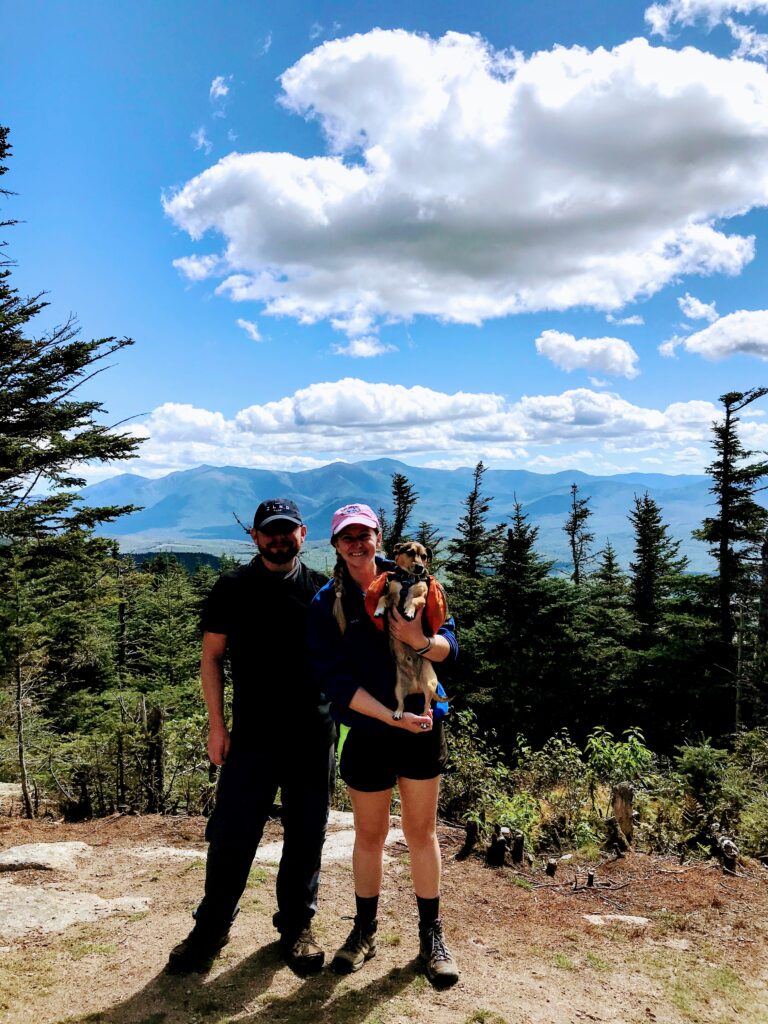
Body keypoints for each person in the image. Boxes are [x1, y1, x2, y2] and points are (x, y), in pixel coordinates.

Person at [167, 499, 334, 974]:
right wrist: (216, 727)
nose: (279, 539)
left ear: (303, 534)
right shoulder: (232, 589)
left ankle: (297, 927)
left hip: (312, 737)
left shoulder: (323, 593)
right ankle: (212, 926)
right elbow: (212, 657)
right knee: (232, 836)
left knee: (307, 835)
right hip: (251, 739)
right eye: (269, 531)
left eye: (287, 531)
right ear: (255, 537)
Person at [308, 503, 460, 989]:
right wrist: (393, 716)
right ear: (335, 544)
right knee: (369, 836)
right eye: (346, 536)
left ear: (379, 538)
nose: (357, 543)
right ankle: (364, 930)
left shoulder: (416, 584)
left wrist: (418, 639)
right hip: (377, 729)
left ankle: (431, 936)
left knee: (422, 833)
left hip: (421, 725)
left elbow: (450, 647)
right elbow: (334, 680)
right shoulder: (327, 602)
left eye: (364, 534)